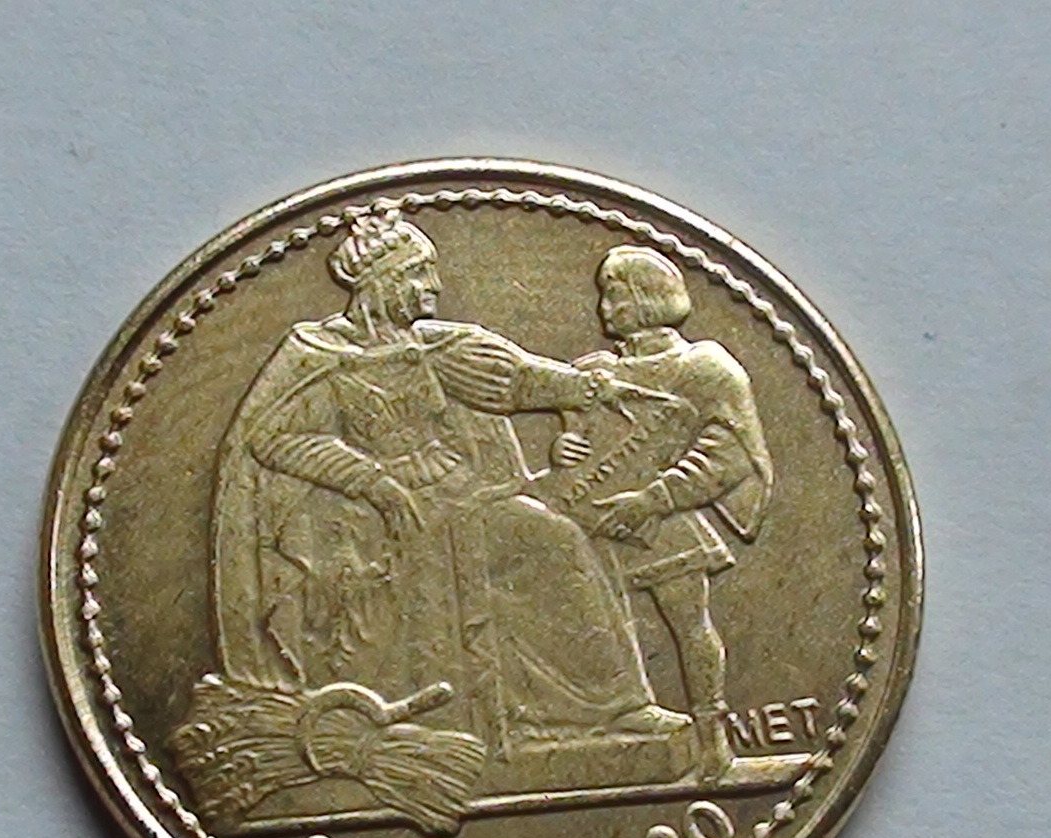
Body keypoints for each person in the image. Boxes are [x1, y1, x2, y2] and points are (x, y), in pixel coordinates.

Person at [206, 212, 687, 772]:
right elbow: (274, 438)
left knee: (553, 539)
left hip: (457, 491)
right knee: (475, 551)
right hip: (368, 519)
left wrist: (587, 389)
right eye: (419, 274)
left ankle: (611, 708)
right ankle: (480, 720)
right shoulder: (317, 353)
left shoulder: (432, 345)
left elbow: (512, 381)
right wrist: (376, 485)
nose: (432, 286)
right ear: (383, 282)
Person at [574, 246, 774, 776]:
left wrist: (653, 500)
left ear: (648, 298)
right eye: (605, 296)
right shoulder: (593, 372)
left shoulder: (703, 368)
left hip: (665, 522)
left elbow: (727, 453)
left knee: (689, 626)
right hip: (594, 522)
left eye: (615, 295)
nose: (605, 308)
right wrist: (565, 449)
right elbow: (577, 449)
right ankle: (620, 743)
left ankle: (713, 742)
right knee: (601, 634)